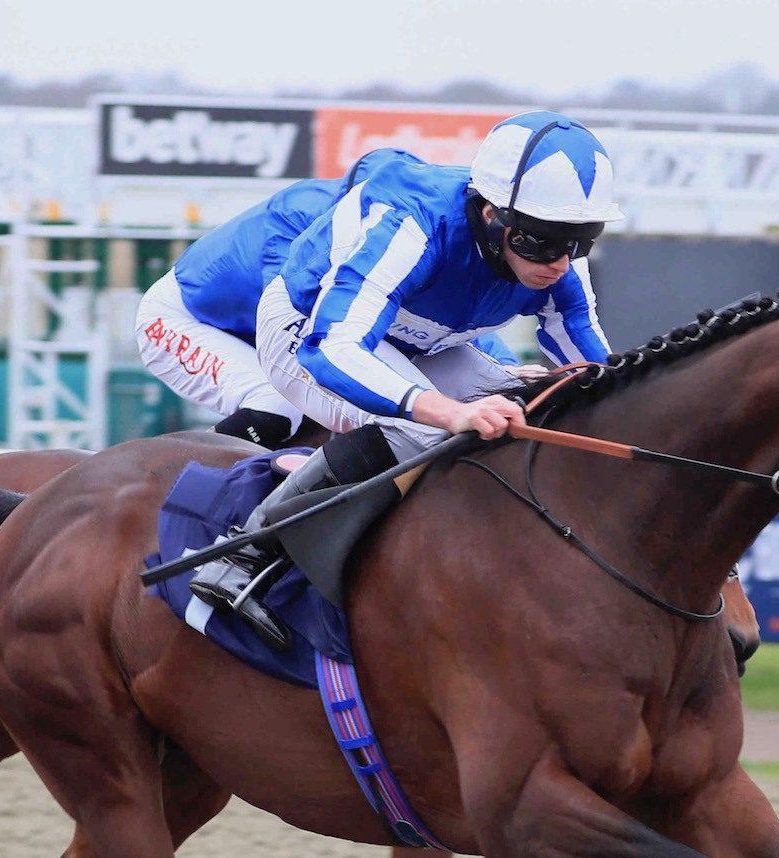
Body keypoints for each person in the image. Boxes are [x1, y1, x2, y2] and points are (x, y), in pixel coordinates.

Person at [187, 109, 620, 630]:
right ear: (491, 215)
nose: (560, 263)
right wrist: (447, 412)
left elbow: (594, 369)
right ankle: (244, 553)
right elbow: (334, 348)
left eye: (579, 242)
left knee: (521, 408)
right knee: (428, 431)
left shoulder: (555, 259)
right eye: (542, 241)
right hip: (309, 332)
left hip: (422, 341)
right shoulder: (413, 222)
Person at [134, 152, 521, 449]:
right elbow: (306, 323)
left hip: (259, 328)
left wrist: (503, 365)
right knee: (276, 405)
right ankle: (192, 486)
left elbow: (432, 319)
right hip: (184, 319)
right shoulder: (303, 218)